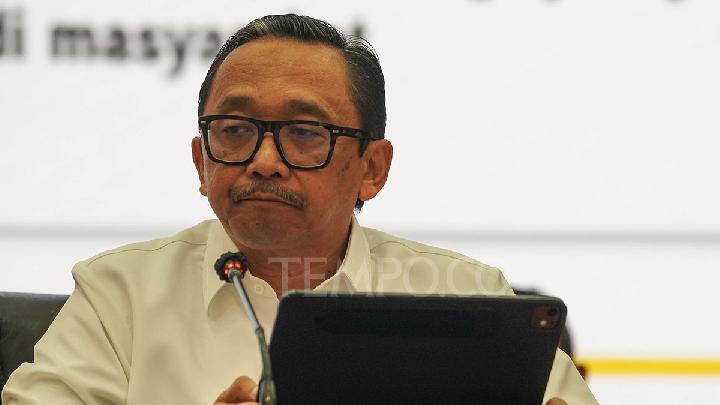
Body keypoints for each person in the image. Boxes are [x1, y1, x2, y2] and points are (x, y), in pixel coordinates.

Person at [2, 14, 597, 404]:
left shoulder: (470, 297)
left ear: (373, 168)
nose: (264, 161)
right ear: (201, 161)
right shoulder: (121, 294)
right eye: (235, 129)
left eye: (305, 133)